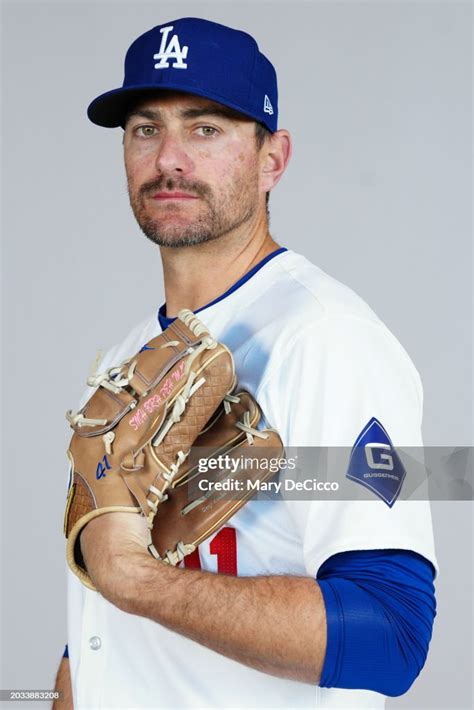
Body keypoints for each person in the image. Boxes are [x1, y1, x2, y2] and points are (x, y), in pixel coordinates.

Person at [54, 17, 438, 709]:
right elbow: (96, 639)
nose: (169, 158)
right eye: (146, 129)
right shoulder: (127, 360)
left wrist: (133, 577)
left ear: (273, 159)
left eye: (206, 129)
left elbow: (393, 636)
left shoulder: (328, 339)